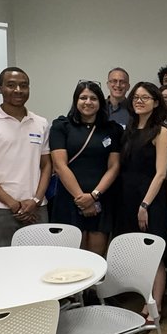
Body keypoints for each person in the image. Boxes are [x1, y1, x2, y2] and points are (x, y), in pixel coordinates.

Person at [0, 67, 52, 249]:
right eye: (11, 85)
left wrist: (36, 200)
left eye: (23, 86)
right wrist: (13, 204)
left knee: (39, 264)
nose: (18, 90)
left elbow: (46, 166)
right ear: (0, 89)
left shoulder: (41, 123)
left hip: (36, 209)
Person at [48, 80, 121, 257]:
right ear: (75, 101)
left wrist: (94, 196)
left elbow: (114, 166)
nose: (88, 102)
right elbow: (59, 165)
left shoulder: (112, 129)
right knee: (72, 257)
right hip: (69, 198)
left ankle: (93, 287)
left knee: (96, 257)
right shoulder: (61, 126)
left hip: (101, 199)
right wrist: (81, 198)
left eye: (93, 98)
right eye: (83, 97)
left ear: (100, 102)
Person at [119, 81, 167, 313]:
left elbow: (161, 173)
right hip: (128, 198)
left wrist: (145, 205)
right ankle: (146, 297)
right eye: (136, 97)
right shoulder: (129, 130)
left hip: (150, 201)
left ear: (156, 102)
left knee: (154, 254)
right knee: (139, 254)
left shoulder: (161, 131)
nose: (139, 101)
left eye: (145, 97)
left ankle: (155, 305)